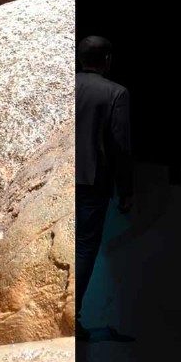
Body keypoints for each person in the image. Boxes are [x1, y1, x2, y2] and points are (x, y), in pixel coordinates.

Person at [77, 35, 135, 343]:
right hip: (93, 179)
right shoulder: (116, 93)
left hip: (57, 178)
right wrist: (126, 189)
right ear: (108, 60)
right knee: (85, 248)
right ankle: (72, 316)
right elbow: (119, 145)